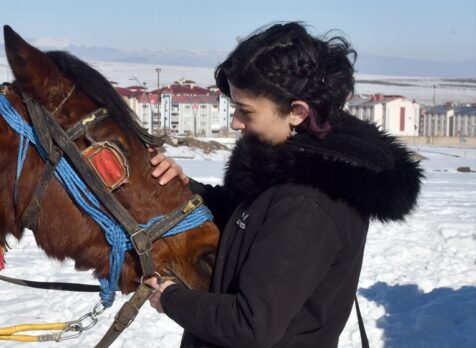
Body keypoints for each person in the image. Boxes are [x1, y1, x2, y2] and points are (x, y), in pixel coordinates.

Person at [145, 22, 423, 347]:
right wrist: (183, 186)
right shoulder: (288, 165)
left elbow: (249, 325)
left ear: (296, 112)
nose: (235, 122)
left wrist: (171, 298)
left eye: (245, 111)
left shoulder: (308, 204)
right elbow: (247, 222)